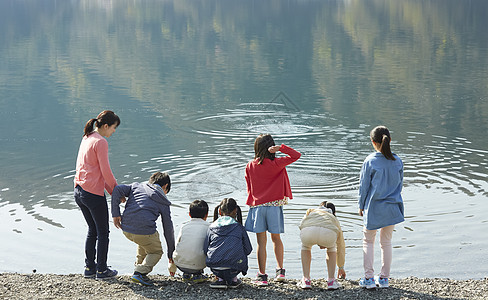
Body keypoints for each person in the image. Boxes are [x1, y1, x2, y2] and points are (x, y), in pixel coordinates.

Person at [244, 134, 301, 285]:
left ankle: (262, 275)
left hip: (257, 207)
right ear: (271, 148)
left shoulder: (250, 165)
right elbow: (297, 155)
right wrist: (282, 148)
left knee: (261, 243)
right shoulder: (277, 163)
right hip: (274, 207)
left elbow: (249, 188)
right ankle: (280, 271)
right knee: (276, 239)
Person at [74, 110, 120, 280]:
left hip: (79, 191)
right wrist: (115, 191)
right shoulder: (100, 142)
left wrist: (110, 190)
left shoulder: (87, 136)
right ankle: (102, 270)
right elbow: (105, 171)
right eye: (114, 128)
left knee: (92, 229)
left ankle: (89, 268)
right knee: (103, 232)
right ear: (106, 126)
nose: (114, 131)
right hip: (92, 193)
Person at [358, 126, 404, 289]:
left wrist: (361, 205)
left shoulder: (370, 161)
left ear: (373, 142)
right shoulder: (397, 161)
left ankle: (369, 279)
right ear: (389, 140)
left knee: (368, 241)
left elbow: (363, 187)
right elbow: (400, 185)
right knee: (386, 242)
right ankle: (384, 279)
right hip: (392, 207)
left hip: (374, 207)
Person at [111, 171, 175, 286]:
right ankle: (139, 273)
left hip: (126, 229)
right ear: (165, 186)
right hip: (144, 232)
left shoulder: (136, 186)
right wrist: (171, 253)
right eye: (167, 191)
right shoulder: (163, 201)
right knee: (156, 251)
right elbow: (168, 229)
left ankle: (138, 265)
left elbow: (117, 190)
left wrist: (115, 214)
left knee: (145, 242)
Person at [204, 198, 252, 289]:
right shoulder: (239, 227)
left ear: (219, 211)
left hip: (215, 267)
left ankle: (220, 279)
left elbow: (205, 249)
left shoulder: (211, 227)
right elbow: (248, 249)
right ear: (236, 210)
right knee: (239, 254)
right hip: (234, 268)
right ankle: (233, 279)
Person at [298, 201, 346, 290]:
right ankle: (331, 281)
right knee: (332, 248)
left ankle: (306, 280)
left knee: (305, 247)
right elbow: (340, 245)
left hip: (308, 232)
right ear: (334, 212)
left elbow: (302, 225)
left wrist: (314, 239)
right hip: (328, 234)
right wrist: (341, 266)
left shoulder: (311, 212)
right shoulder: (333, 219)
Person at [172, 200, 210, 283]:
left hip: (179, 263)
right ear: (206, 215)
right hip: (198, 265)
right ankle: (198, 275)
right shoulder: (209, 227)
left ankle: (186, 274)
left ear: (189, 214)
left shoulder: (184, 226)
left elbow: (177, 243)